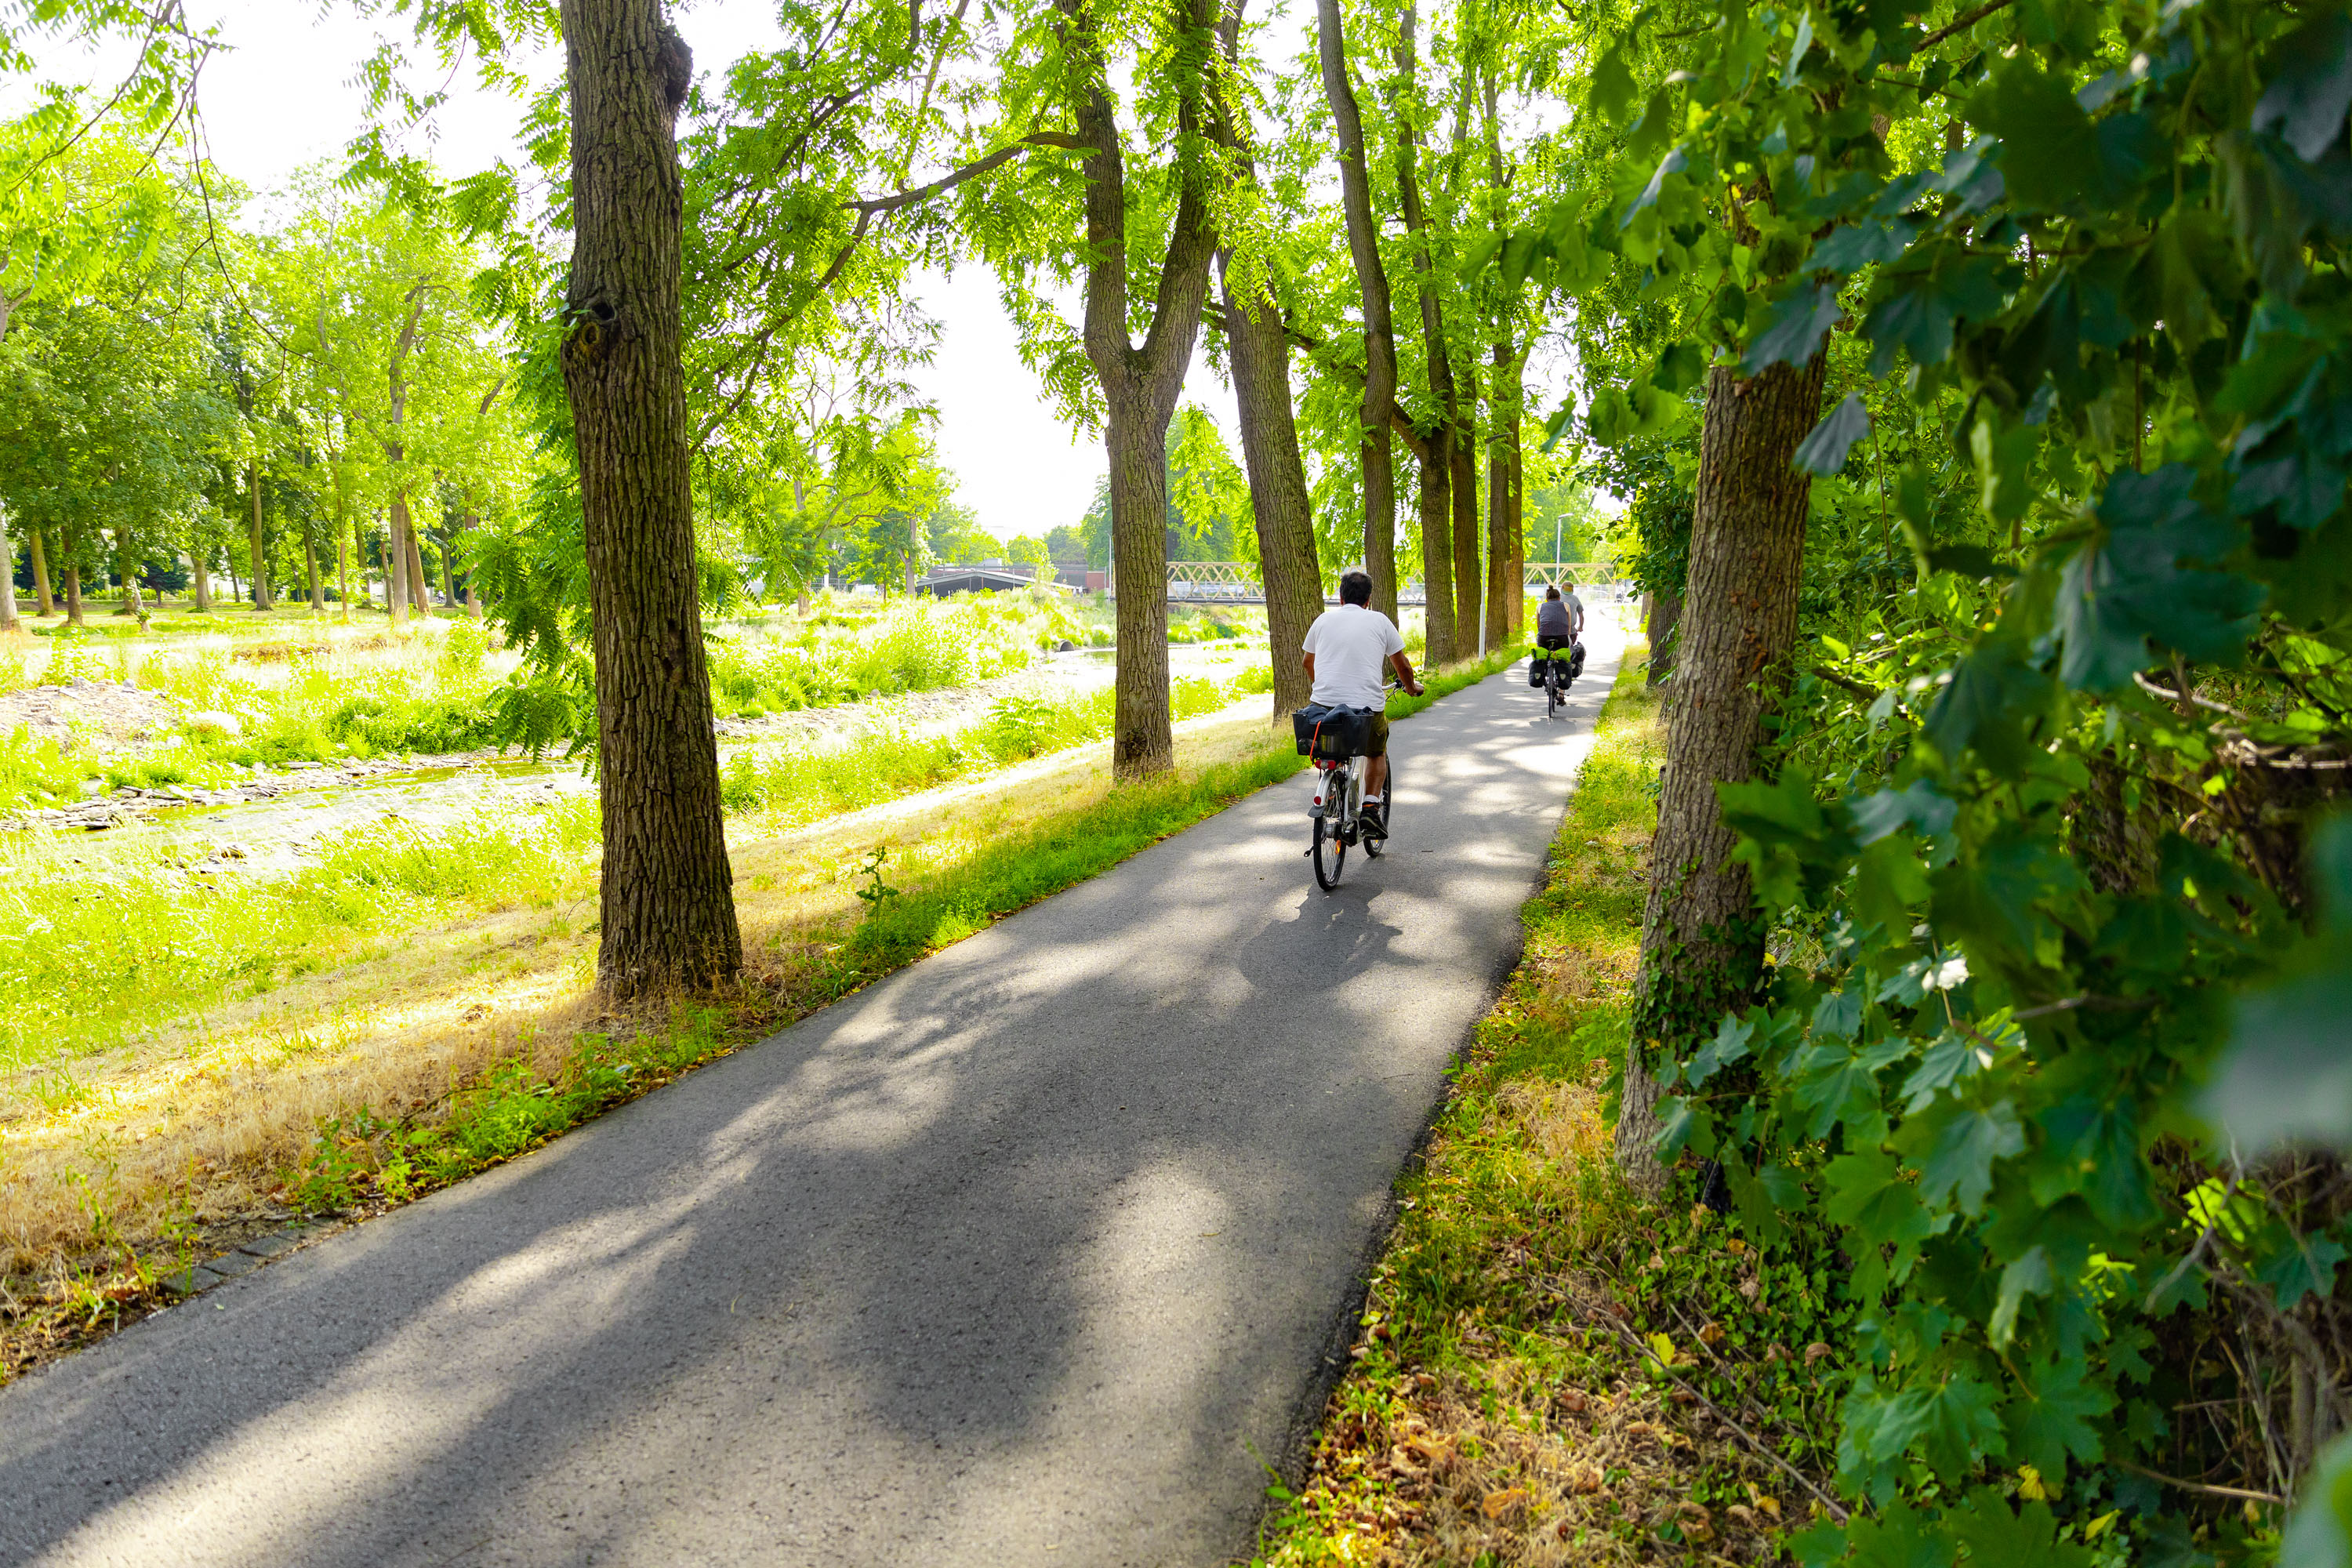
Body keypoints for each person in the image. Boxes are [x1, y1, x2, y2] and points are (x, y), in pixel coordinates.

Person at [1301, 568, 1422, 840]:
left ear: (1340, 598)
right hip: (1365, 706)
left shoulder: (1322, 621)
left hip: (1323, 705)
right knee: (1375, 751)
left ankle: (1330, 781)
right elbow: (1401, 665)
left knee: (1329, 750)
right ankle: (1369, 806)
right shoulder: (1379, 621)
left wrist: (1322, 688)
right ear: (1368, 599)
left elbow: (1307, 662)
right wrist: (1413, 689)